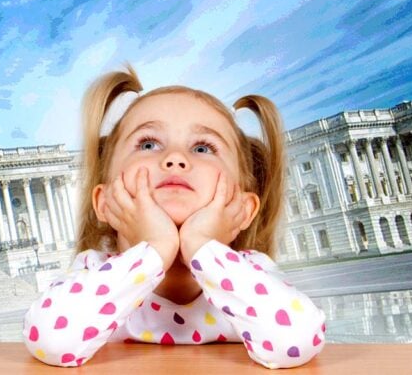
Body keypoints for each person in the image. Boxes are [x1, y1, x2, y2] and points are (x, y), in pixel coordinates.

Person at [23, 65, 325, 369]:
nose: (175, 158)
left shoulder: (250, 273)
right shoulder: (93, 273)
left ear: (244, 208)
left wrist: (202, 246)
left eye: (203, 147)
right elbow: (52, 342)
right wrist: (155, 249)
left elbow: (296, 342)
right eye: (148, 144)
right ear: (104, 202)